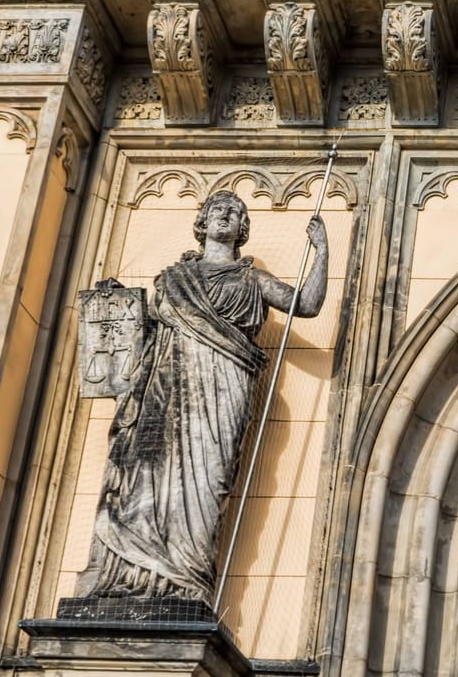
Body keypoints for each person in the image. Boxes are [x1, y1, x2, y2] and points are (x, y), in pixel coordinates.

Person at [77, 191, 329, 602]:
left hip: (224, 386)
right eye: (218, 210)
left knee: (210, 478)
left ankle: (187, 579)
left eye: (235, 212)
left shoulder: (253, 280)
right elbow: (140, 335)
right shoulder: (171, 281)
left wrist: (321, 251)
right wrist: (115, 303)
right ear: (203, 221)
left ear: (243, 228)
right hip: (167, 389)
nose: (226, 215)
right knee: (152, 474)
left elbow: (307, 303)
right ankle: (136, 575)